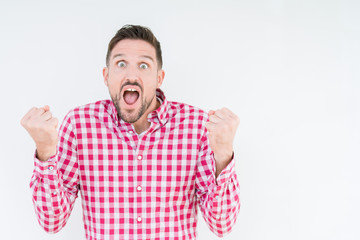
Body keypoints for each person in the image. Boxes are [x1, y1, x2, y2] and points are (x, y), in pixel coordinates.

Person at [21, 25, 241, 239]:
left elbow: (221, 225)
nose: (132, 75)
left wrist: (223, 155)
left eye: (144, 65)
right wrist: (46, 151)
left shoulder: (196, 126)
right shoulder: (79, 125)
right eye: (121, 63)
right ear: (106, 76)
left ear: (159, 78)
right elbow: (52, 222)